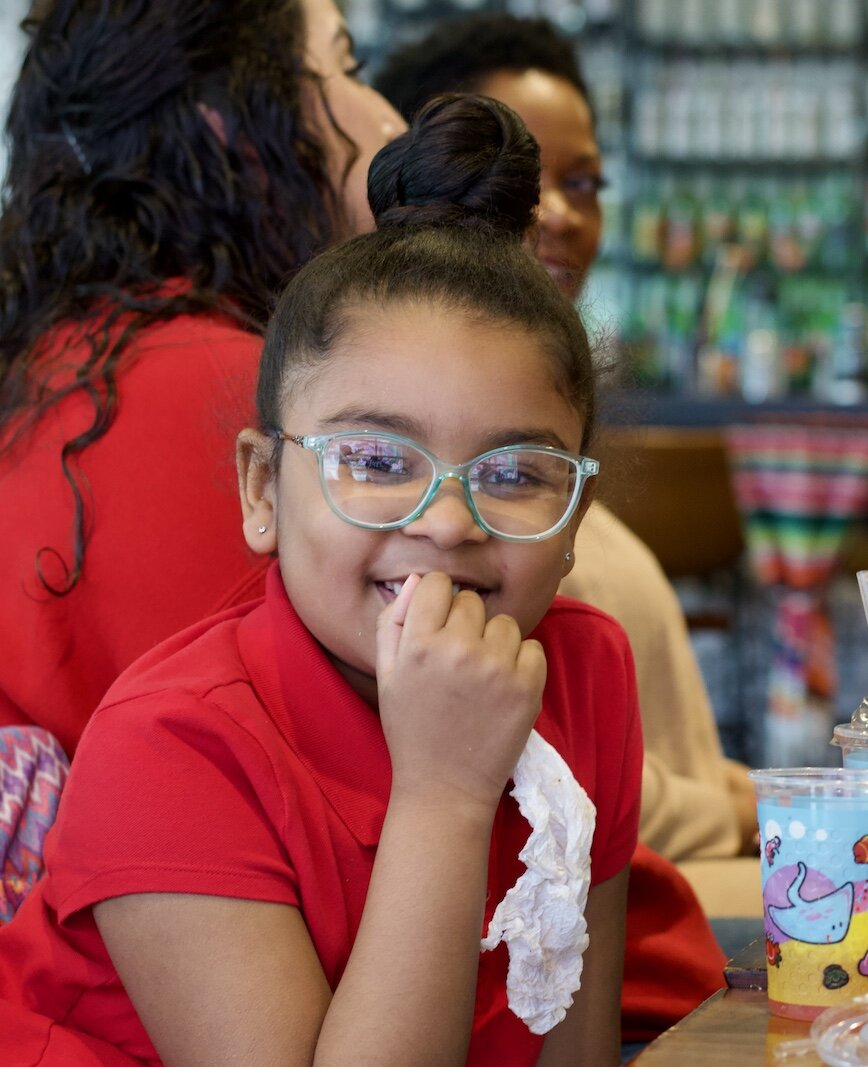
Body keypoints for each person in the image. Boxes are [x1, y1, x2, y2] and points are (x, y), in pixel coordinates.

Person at [0, 95, 634, 1065]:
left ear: (576, 518)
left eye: (514, 473)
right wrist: (445, 791)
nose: (447, 522)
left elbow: (573, 1049)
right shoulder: (169, 745)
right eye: (376, 460)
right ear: (263, 488)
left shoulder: (584, 672)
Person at [375, 13, 757, 863]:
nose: (554, 213)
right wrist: (740, 814)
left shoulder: (552, 496)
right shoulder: (444, 527)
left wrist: (749, 795)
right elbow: (538, 772)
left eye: (582, 183)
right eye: (515, 177)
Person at [0, 0, 404, 755]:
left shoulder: (51, 361)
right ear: (232, 122)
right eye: (347, 67)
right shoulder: (240, 394)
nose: (391, 119)